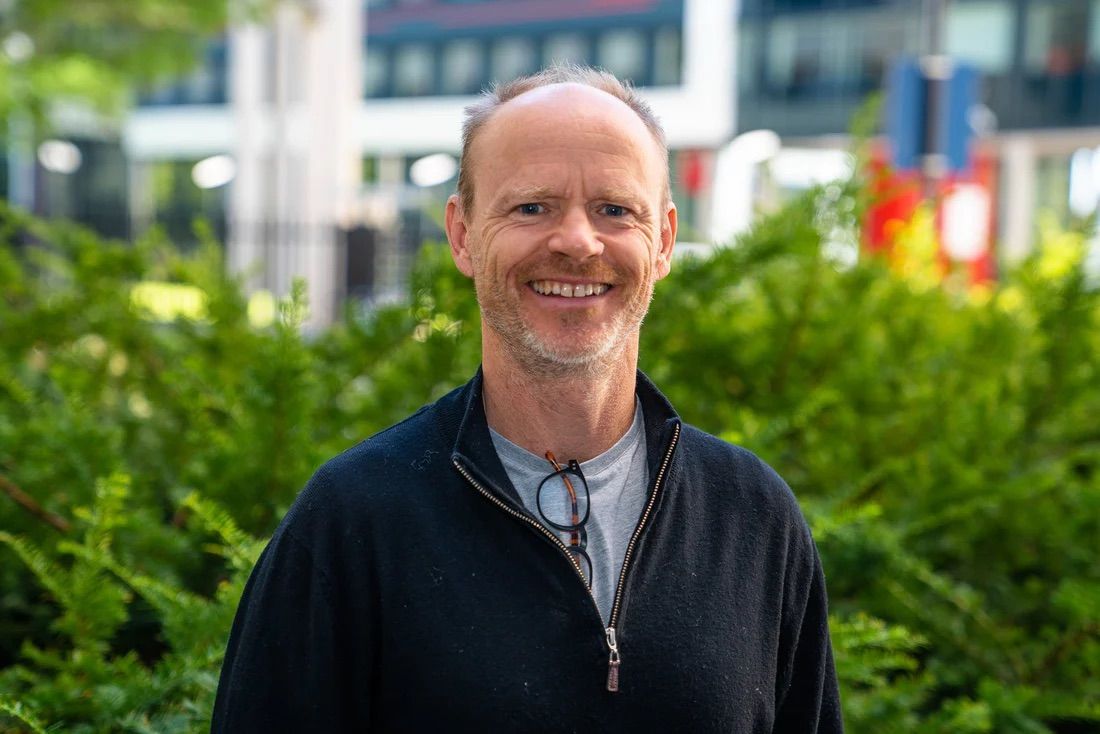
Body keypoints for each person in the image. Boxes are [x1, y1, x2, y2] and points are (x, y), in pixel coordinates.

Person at [212, 65, 843, 732]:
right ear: (462, 235)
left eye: (614, 210)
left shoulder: (753, 517)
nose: (577, 241)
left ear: (663, 241)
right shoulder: (352, 522)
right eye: (532, 207)